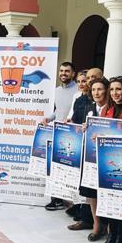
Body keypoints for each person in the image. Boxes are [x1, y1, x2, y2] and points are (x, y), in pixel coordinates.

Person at [97, 76, 122, 243]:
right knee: (109, 199)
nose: (115, 93)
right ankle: (112, 236)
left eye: (118, 89)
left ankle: (121, 238)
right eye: (112, 90)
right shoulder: (107, 110)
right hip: (108, 161)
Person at [67, 67, 103, 227]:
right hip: (81, 147)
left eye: (94, 78)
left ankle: (97, 223)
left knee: (93, 188)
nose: (90, 81)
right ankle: (85, 218)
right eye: (88, 78)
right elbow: (74, 119)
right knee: (84, 186)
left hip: (96, 151)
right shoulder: (81, 100)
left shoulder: (101, 102)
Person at [75, 77, 110, 242]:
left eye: (100, 89)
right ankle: (96, 224)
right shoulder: (88, 108)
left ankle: (108, 226)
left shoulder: (113, 109)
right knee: (91, 191)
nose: (96, 92)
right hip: (90, 155)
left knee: (106, 191)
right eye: (94, 89)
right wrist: (83, 128)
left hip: (107, 157)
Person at [43, 62, 78, 211]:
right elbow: (58, 110)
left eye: (67, 71)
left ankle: (74, 203)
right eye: (62, 71)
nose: (64, 73)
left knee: (71, 170)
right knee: (55, 168)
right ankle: (56, 199)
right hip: (57, 133)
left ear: (73, 74)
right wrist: (49, 118)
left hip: (72, 135)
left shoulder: (78, 90)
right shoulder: (57, 90)